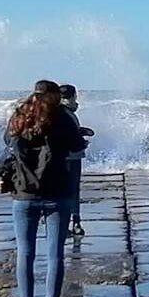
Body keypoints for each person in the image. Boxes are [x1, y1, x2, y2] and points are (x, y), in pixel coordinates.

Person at [0, 79, 87, 297]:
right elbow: (77, 145)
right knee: (55, 253)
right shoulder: (63, 118)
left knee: (25, 253)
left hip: (24, 194)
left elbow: (8, 140)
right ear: (56, 97)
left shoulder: (20, 116)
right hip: (58, 193)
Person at [57, 83, 93, 238]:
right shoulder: (66, 113)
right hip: (71, 157)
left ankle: (64, 224)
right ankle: (74, 223)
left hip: (59, 158)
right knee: (72, 191)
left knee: (62, 191)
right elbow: (69, 137)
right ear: (72, 96)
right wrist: (82, 141)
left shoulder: (58, 112)